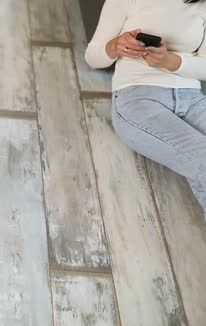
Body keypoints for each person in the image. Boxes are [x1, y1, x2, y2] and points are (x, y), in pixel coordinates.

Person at [86, 0, 206, 213]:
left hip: (192, 99)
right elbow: (93, 57)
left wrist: (169, 60)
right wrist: (115, 45)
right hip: (138, 98)